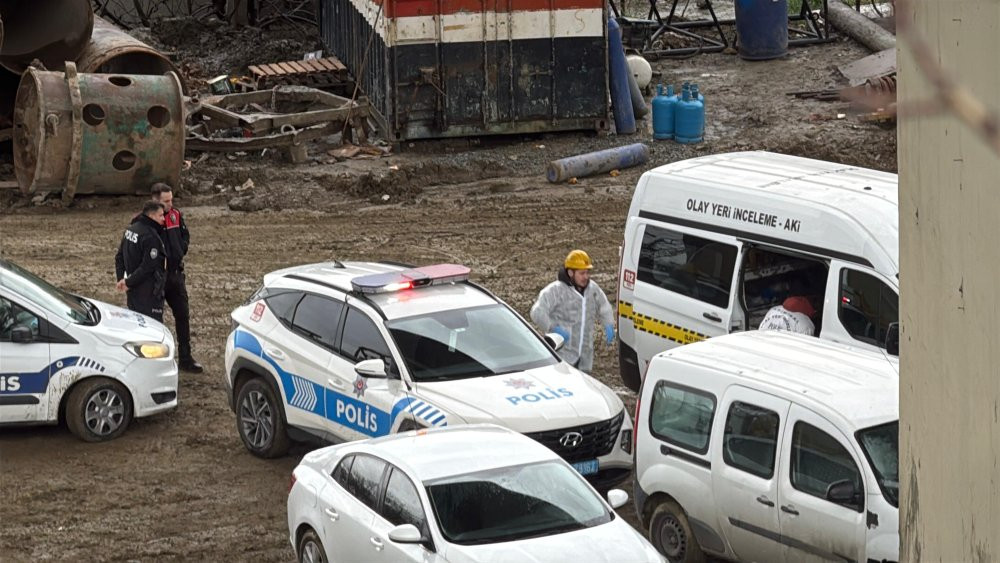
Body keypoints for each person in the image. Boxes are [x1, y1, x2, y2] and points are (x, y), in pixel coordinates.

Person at [530, 250, 615, 374]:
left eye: (587, 272)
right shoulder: (555, 291)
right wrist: (552, 328)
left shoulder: (592, 289)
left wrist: (608, 324)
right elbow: (537, 312)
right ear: (570, 272)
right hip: (562, 355)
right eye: (582, 273)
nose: (586, 277)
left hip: (585, 358)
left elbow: (604, 307)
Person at [151, 183, 203, 373]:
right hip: (157, 278)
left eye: (171, 200)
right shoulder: (147, 221)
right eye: (166, 201)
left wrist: (181, 250)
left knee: (183, 315)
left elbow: (185, 235)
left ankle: (186, 358)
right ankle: (157, 362)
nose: (170, 204)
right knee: (156, 321)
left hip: (175, 275)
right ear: (155, 200)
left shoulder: (176, 215)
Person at [115, 202, 167, 322]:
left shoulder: (130, 229)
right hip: (148, 293)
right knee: (152, 327)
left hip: (133, 292)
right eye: (161, 215)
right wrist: (128, 282)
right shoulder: (151, 237)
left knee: (136, 324)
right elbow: (148, 267)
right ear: (152, 216)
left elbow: (119, 257)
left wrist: (122, 280)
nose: (164, 219)